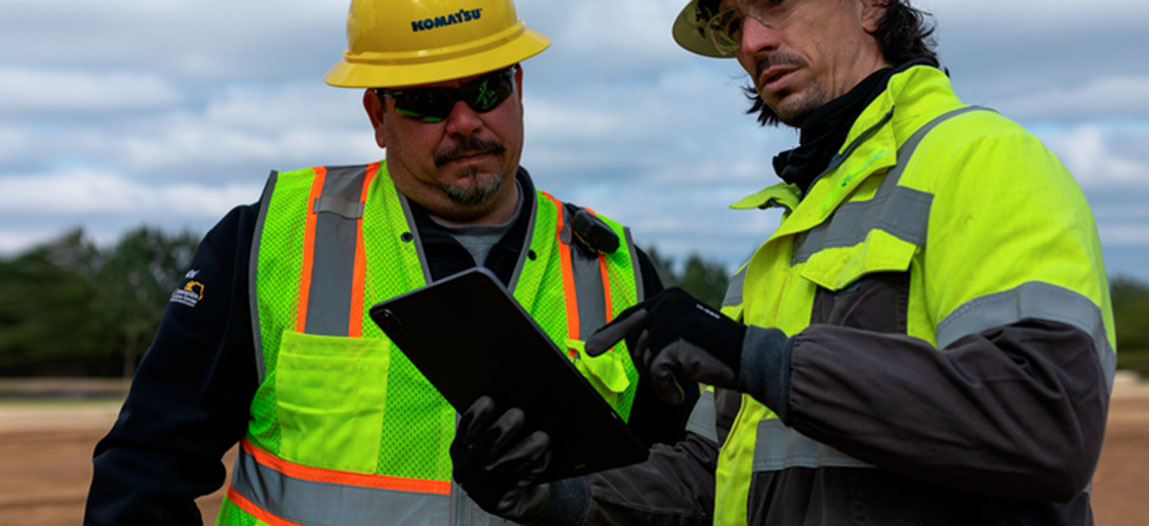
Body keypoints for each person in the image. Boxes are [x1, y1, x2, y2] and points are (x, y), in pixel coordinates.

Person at [449, 0, 1117, 524]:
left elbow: (1046, 421)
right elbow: (714, 480)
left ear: (872, 5)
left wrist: (757, 358)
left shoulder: (985, 159)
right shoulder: (786, 242)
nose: (750, 43)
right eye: (734, 22)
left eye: (774, 3)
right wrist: (554, 498)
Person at [82, 0, 697, 524]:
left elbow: (675, 490)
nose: (464, 122)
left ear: (519, 88)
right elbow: (144, 470)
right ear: (378, 116)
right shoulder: (270, 239)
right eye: (427, 102)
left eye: (486, 89)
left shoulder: (615, 268)